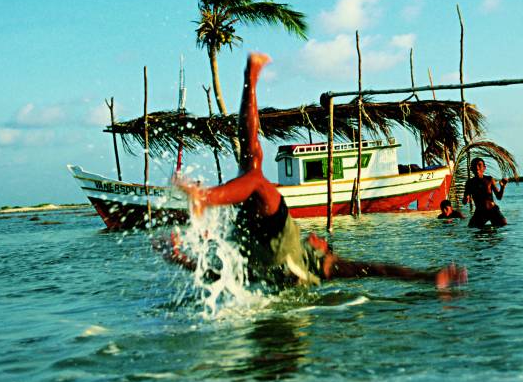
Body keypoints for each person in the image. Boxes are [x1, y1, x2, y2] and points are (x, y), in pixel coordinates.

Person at [163, 52, 467, 290]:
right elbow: (224, 276)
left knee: (255, 177)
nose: (313, 235)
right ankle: (250, 80)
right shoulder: (290, 264)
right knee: (251, 155)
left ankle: (206, 197)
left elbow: (380, 268)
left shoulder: (320, 263)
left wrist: (429, 277)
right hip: (254, 244)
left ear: (324, 251)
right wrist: (183, 260)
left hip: (265, 245)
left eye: (320, 239)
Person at [462, 157, 508, 228]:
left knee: (504, 225)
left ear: (484, 168)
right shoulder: (470, 183)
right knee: (471, 228)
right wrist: (466, 198)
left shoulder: (489, 179)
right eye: (474, 166)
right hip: (480, 212)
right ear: (471, 169)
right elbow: (464, 202)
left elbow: (499, 197)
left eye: (479, 165)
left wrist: (502, 187)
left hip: (492, 210)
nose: (477, 168)